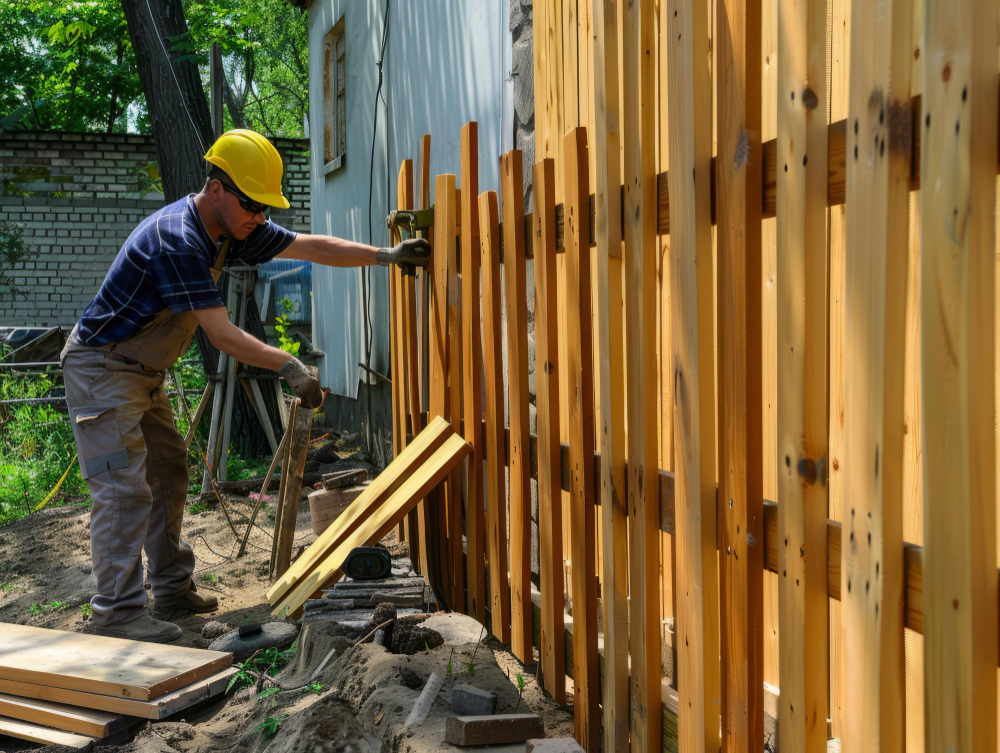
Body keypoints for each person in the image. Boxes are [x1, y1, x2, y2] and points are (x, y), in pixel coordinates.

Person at [60, 129, 429, 643]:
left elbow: (310, 246)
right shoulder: (178, 239)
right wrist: (289, 365)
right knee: (124, 489)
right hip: (101, 369)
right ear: (217, 189)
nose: (260, 214)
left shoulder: (233, 227)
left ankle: (169, 588)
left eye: (263, 205)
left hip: (140, 371)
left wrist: (385, 256)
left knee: (167, 474)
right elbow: (221, 334)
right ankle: (119, 614)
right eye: (252, 203)